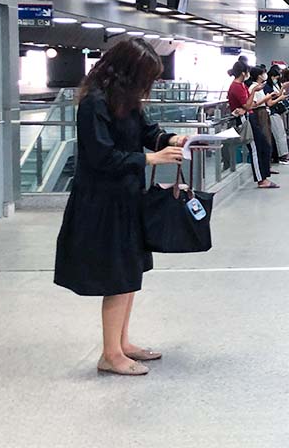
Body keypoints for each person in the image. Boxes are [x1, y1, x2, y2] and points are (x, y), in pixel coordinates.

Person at [54, 39, 186, 376]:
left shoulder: (126, 101)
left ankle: (122, 343)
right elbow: (101, 156)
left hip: (127, 198)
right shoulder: (94, 103)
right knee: (116, 276)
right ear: (127, 72)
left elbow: (147, 131)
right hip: (101, 203)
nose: (147, 85)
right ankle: (110, 353)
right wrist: (149, 158)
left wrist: (169, 139)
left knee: (129, 273)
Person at [229, 62, 277, 188]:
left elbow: (247, 106)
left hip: (250, 117)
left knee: (264, 146)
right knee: (255, 149)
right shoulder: (237, 87)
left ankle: (265, 174)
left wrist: (246, 107)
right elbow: (248, 105)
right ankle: (261, 179)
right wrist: (254, 91)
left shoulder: (241, 85)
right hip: (245, 120)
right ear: (243, 73)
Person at [246, 65, 281, 188]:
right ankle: (262, 177)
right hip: (258, 115)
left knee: (267, 143)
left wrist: (279, 96)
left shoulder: (260, 88)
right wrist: (265, 98)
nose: (264, 75)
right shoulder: (253, 87)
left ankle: (266, 171)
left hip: (264, 113)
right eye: (263, 73)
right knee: (262, 145)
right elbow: (252, 105)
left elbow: (268, 102)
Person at [267, 65, 289, 165]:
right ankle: (283, 156)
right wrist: (281, 97)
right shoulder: (267, 87)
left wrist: (282, 89)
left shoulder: (275, 85)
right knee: (279, 134)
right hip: (273, 112)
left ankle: (285, 154)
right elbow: (270, 102)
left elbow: (278, 95)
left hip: (278, 112)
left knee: (282, 134)